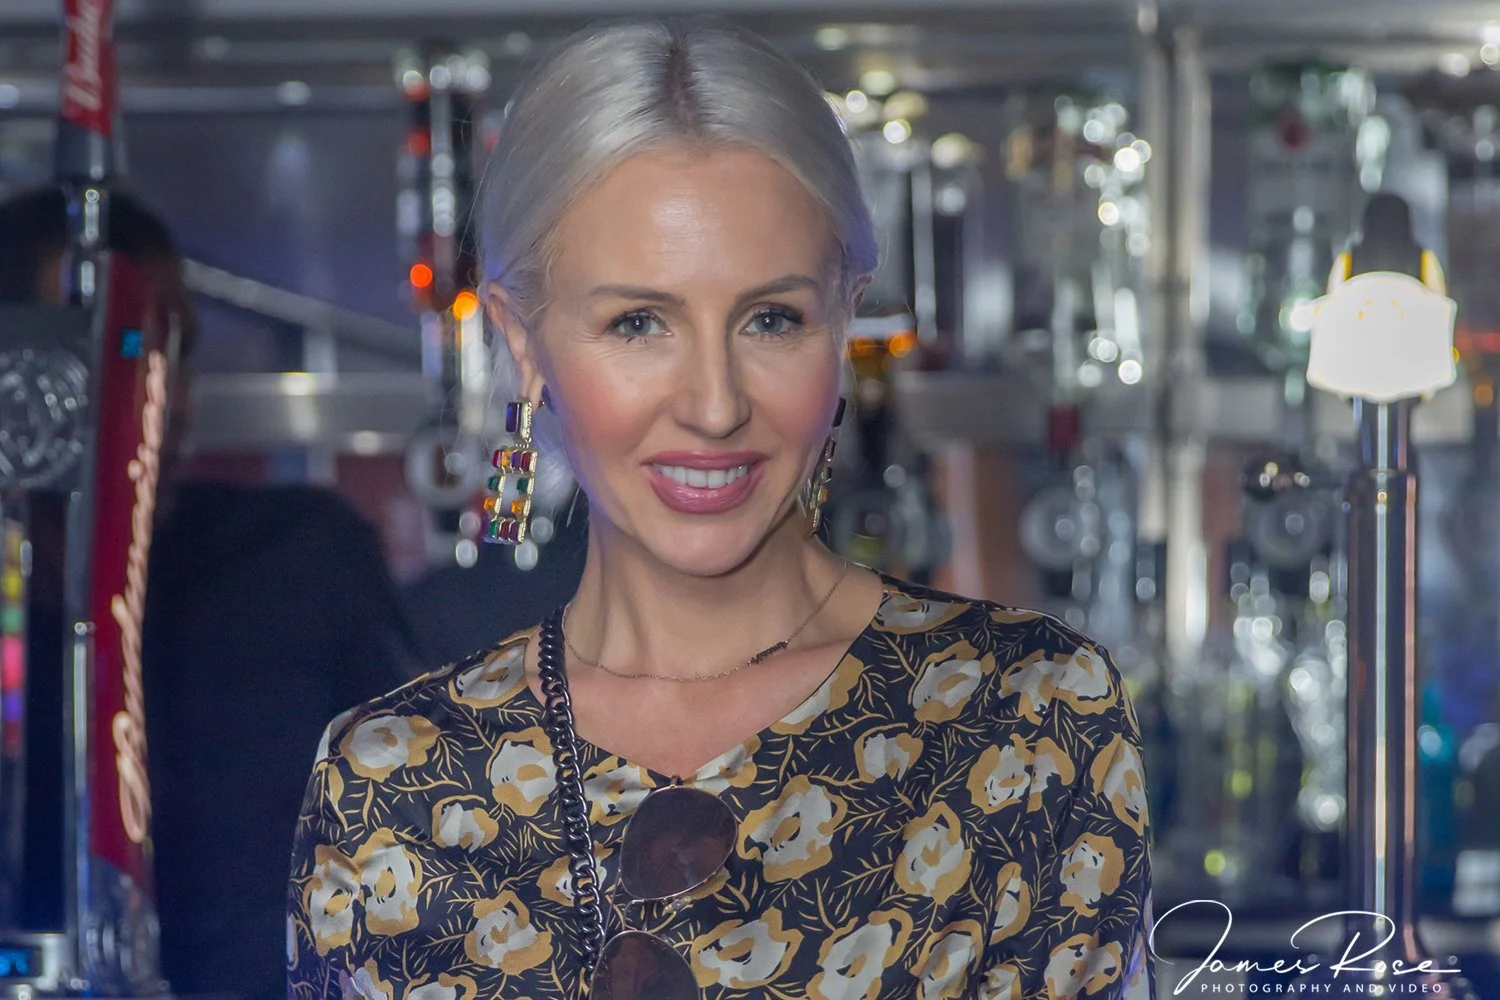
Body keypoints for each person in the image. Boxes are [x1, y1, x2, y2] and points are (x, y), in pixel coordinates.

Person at [287, 20, 1155, 1000]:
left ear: (845, 317)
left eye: (771, 319)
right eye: (639, 323)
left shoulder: (1032, 720)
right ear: (523, 345)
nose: (713, 405)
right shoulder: (391, 785)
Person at [0, 186, 422, 998]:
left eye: (176, 354)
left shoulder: (297, 564)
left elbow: (422, 856)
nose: (162, 398)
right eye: (120, 349)